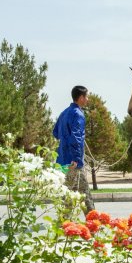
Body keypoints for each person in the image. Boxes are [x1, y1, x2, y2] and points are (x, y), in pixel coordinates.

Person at [53, 85, 95, 215]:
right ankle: (93, 225)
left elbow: (55, 133)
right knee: (82, 195)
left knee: (69, 194)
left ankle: (65, 226)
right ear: (81, 97)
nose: (87, 99)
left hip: (62, 161)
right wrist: (76, 159)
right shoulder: (78, 114)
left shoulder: (64, 113)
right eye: (86, 96)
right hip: (74, 163)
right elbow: (76, 138)